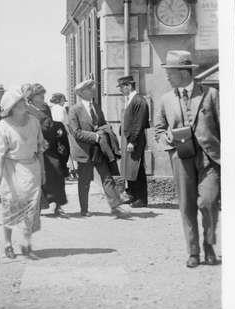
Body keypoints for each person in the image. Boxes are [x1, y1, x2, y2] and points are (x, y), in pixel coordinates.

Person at [154, 50, 220, 268]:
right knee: (186, 206)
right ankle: (193, 252)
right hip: (181, 160)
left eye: (170, 72)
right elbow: (158, 132)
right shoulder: (165, 100)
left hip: (209, 159)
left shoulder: (210, 94)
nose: (167, 76)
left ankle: (209, 246)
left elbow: (225, 127)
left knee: (209, 203)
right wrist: (169, 138)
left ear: (183, 72)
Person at [0, 87, 46, 259]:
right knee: (10, 207)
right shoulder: (4, 125)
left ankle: (26, 244)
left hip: (31, 169)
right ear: (11, 107)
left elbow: (40, 148)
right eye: (19, 102)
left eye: (23, 101)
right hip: (11, 170)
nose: (23, 104)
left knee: (30, 209)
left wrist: (43, 170)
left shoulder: (34, 122)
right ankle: (8, 244)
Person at [68, 79, 128, 218]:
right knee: (84, 181)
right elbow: (76, 132)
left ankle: (115, 208)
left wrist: (106, 131)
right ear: (82, 92)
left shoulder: (96, 106)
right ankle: (84, 209)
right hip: (85, 151)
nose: (93, 90)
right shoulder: (74, 110)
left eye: (92, 88)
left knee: (107, 177)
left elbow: (102, 123)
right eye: (90, 89)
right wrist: (95, 137)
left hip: (101, 149)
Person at [27, 84, 70, 216]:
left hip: (50, 146)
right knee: (37, 177)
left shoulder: (45, 107)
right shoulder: (26, 110)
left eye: (43, 96)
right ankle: (36, 206)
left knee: (57, 171)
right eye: (40, 96)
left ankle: (58, 205)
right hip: (35, 148)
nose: (42, 98)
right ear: (32, 97)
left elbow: (50, 123)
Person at [117, 75, 150, 208]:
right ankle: (132, 195)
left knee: (137, 168)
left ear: (129, 86)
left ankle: (141, 199)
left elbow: (139, 123)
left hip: (134, 140)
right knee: (129, 168)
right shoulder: (131, 100)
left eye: (121, 87)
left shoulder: (139, 101)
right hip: (128, 140)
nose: (120, 90)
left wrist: (132, 141)